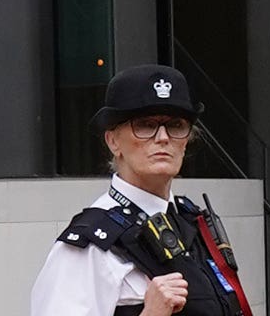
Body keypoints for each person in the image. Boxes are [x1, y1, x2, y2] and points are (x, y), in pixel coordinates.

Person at [27, 65, 256, 316]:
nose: (163, 138)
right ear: (113, 141)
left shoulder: (191, 220)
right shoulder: (92, 245)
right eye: (145, 125)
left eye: (176, 125)